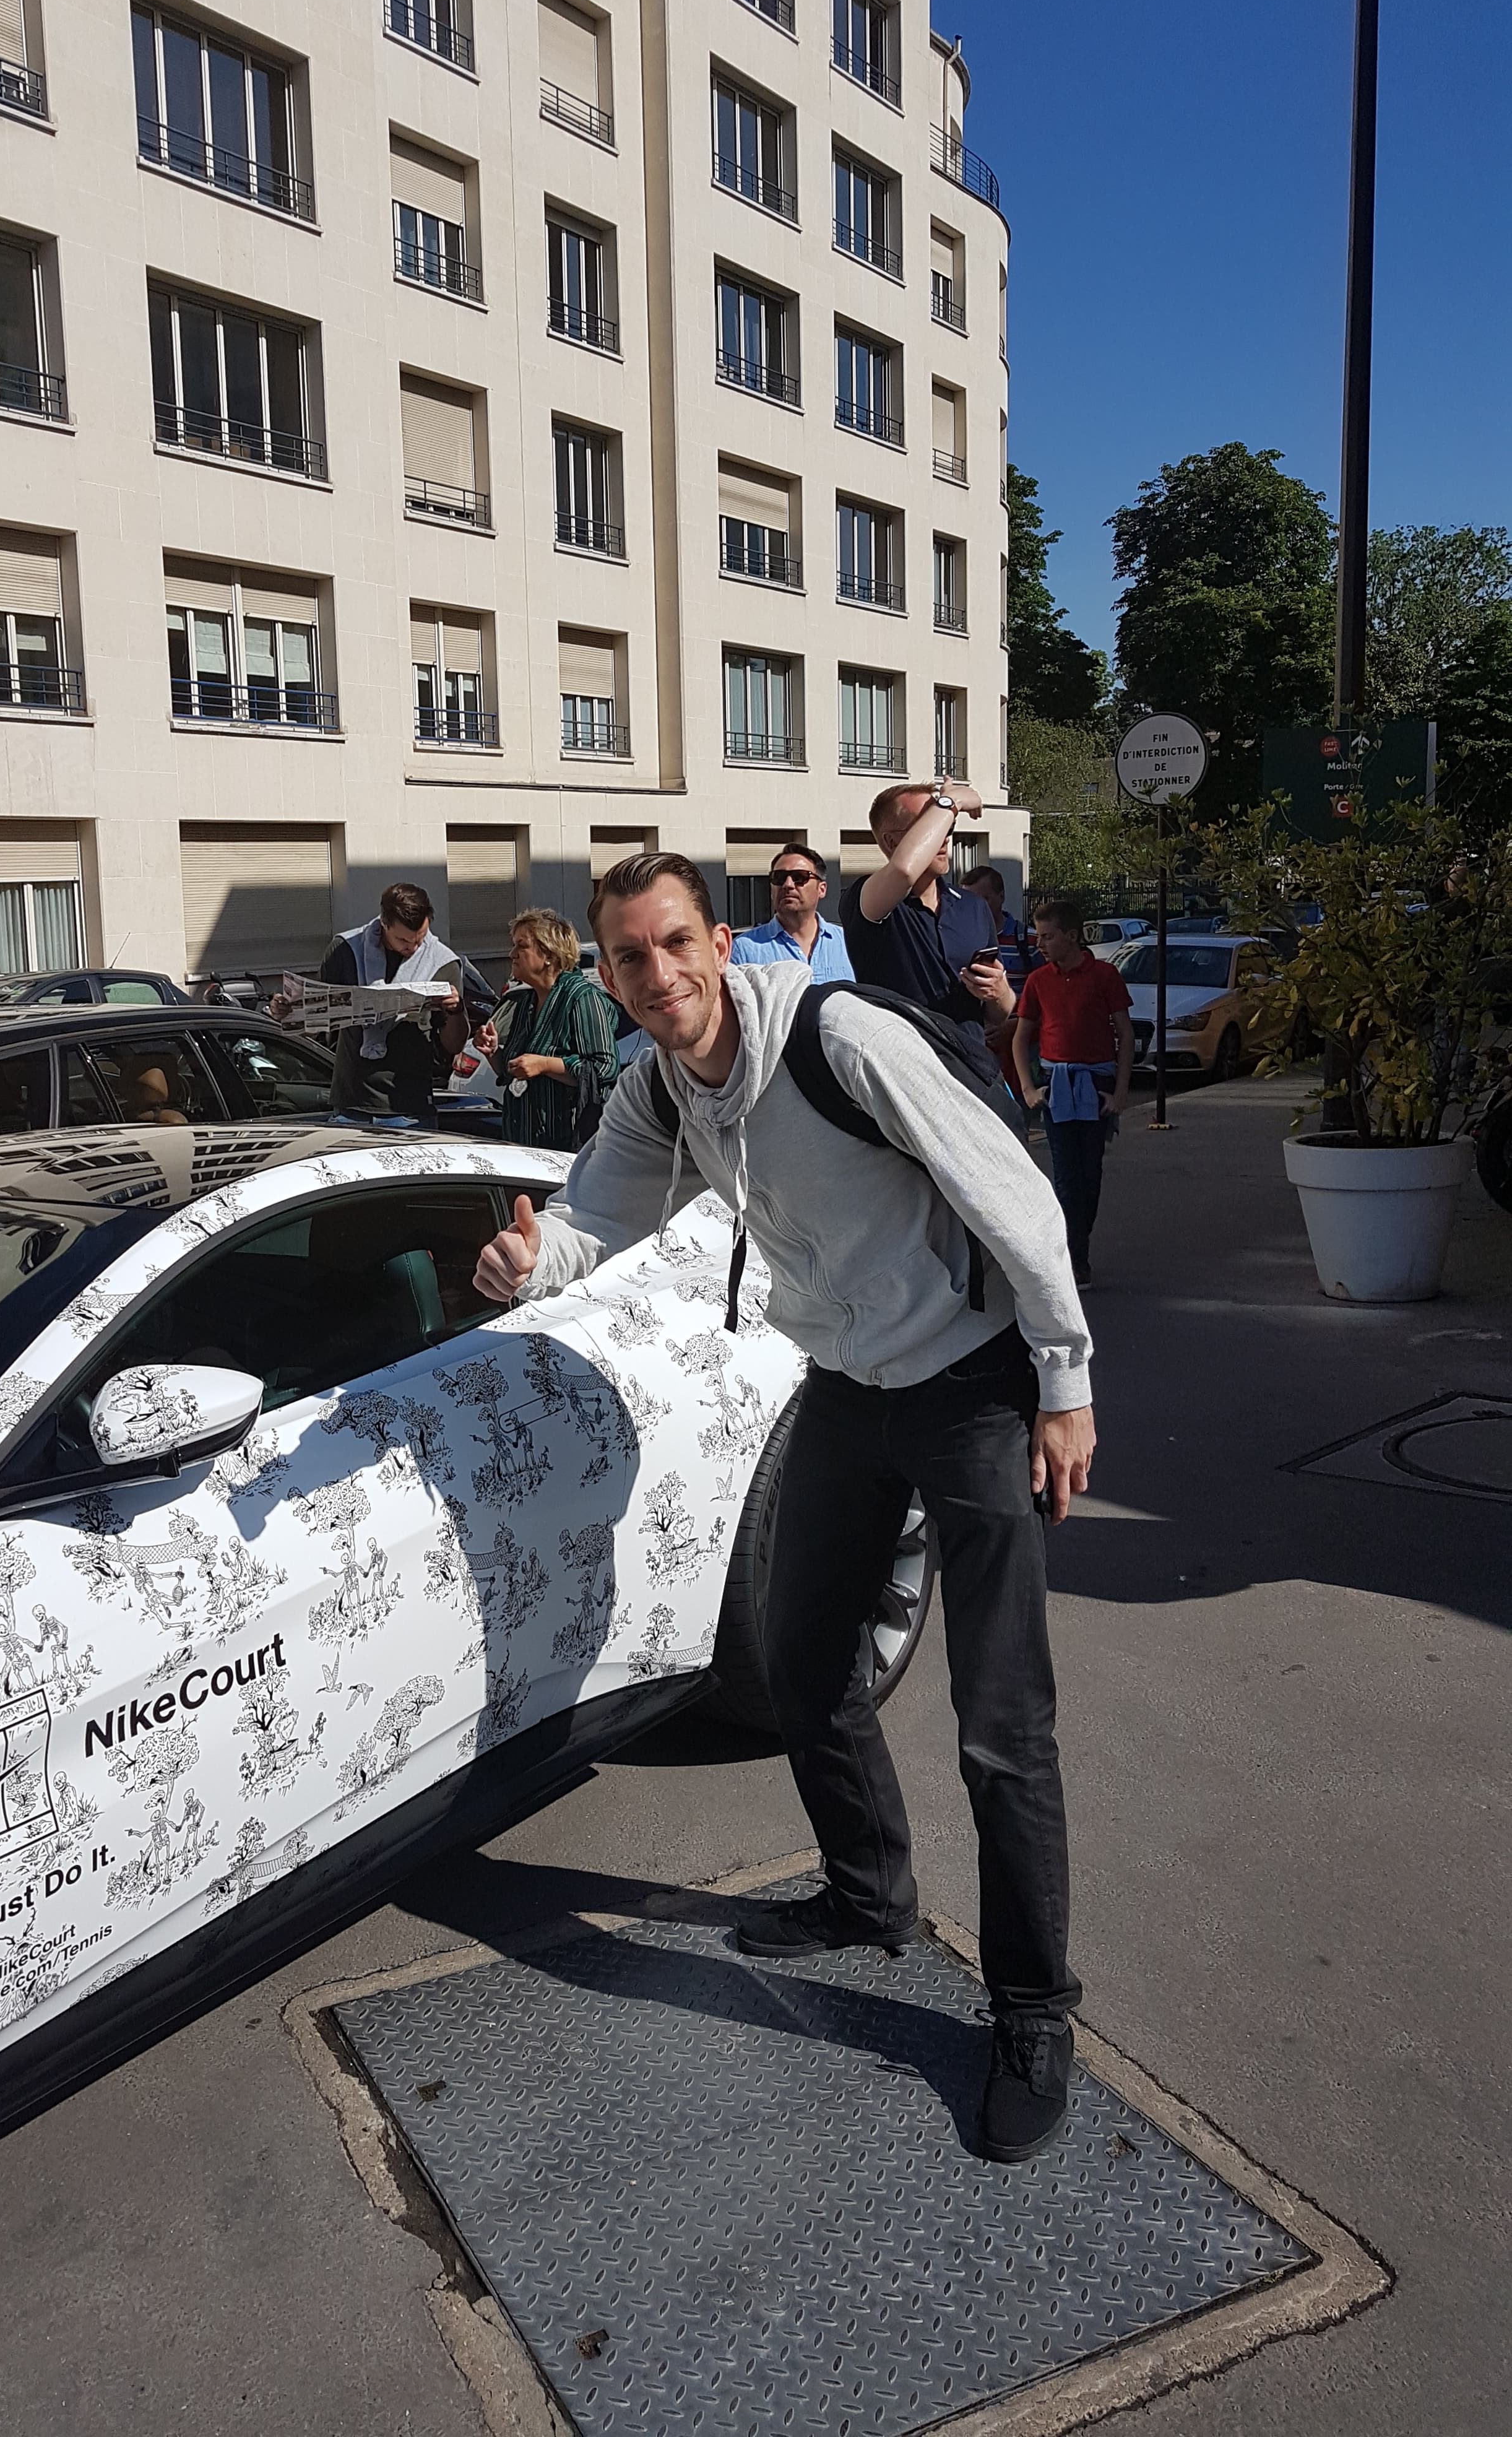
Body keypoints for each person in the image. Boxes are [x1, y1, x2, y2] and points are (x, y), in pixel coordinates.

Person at [473, 853, 1095, 2162]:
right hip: (847, 1387)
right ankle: (869, 1895)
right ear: (607, 975)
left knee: (1001, 1724)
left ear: (720, 941)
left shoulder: (839, 1037)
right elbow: (595, 1217)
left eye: (675, 943)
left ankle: (1033, 2012)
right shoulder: (658, 1085)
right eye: (629, 957)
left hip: (971, 1385)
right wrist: (530, 1259)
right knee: (802, 1660)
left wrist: (1063, 1381)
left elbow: (1012, 1193)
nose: (658, 975)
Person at [1012, 899, 1134, 1287]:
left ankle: (1078, 1245)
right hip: (1056, 1085)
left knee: (1090, 1173)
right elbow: (1021, 1038)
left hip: (1096, 1084)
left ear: (1072, 936)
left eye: (1048, 937)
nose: (1041, 945)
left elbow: (1126, 1035)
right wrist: (1029, 1089)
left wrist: (1120, 1093)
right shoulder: (1038, 981)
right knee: (1065, 1176)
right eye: (1038, 937)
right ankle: (1074, 1259)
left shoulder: (1104, 975)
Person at [838, 782, 1014, 1044]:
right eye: (930, 824)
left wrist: (999, 993)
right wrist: (951, 803)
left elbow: (999, 1014)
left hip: (969, 1063)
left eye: (948, 826)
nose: (943, 836)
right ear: (890, 841)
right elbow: (904, 871)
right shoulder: (868, 899)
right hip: (902, 1062)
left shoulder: (973, 906)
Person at [319, 883, 493, 1118]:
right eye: (403, 940)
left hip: (409, 1106)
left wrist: (455, 1010)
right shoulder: (346, 950)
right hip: (352, 1101)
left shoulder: (442, 963)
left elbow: (453, 1046)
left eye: (420, 938)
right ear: (384, 923)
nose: (413, 947)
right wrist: (289, 1011)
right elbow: (320, 1022)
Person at [472, 907, 619, 1150]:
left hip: (565, 1146)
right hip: (523, 1141)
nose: (512, 954)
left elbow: (604, 1067)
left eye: (522, 946)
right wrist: (493, 1053)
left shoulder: (581, 998)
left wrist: (545, 1065)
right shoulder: (526, 1002)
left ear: (549, 954)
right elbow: (515, 1072)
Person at [961, 862, 1039, 1120]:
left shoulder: (1029, 941)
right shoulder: (958, 939)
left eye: (985, 899)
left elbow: (1049, 997)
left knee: (1019, 1121)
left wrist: (1014, 1026)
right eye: (970, 900)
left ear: (1001, 897)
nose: (977, 907)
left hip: (1021, 1051)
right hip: (977, 1046)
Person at [728, 845, 855, 980]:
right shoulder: (745, 949)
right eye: (779, 878)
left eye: (799, 877)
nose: (788, 884)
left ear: (821, 889)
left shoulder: (848, 942)